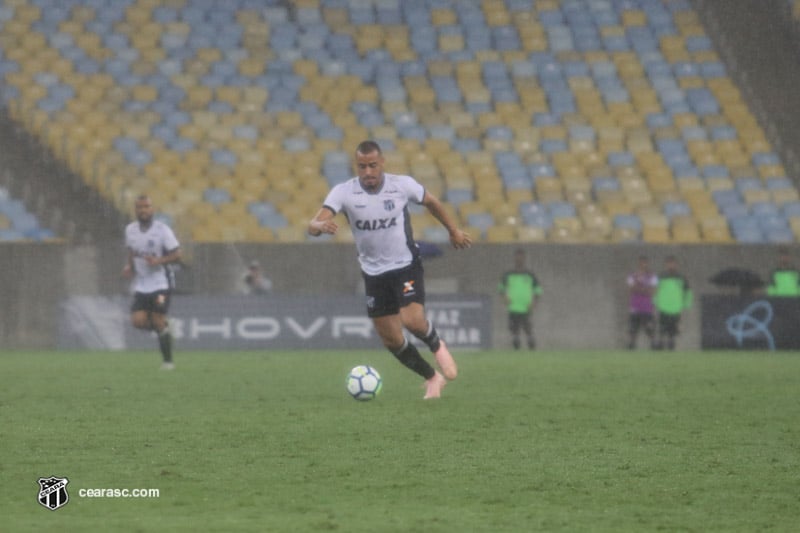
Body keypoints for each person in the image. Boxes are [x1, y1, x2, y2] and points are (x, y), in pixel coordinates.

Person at [308, 140, 472, 399]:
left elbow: (432, 202)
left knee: (412, 320)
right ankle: (432, 377)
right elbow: (315, 223)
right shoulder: (344, 192)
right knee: (392, 340)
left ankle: (437, 344)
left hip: (405, 265)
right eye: (362, 167)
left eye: (373, 165)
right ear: (357, 166)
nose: (368, 172)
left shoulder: (401, 185)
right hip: (374, 274)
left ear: (382, 163)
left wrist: (453, 230)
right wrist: (318, 227)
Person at [122, 194, 181, 369]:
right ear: (135, 210)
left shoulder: (162, 230)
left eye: (147, 207)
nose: (143, 210)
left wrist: (159, 261)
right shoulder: (130, 230)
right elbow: (132, 251)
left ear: (152, 209)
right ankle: (164, 328)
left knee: (157, 317)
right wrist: (130, 266)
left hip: (161, 283)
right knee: (137, 321)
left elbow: (177, 254)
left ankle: (168, 362)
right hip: (142, 284)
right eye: (140, 207)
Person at [497, 248, 542, 350]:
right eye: (517, 257)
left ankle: (532, 348)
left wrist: (534, 303)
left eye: (521, 257)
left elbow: (538, 290)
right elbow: (501, 288)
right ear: (514, 258)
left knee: (528, 328)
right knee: (514, 329)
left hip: (526, 307)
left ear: (524, 258)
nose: (519, 259)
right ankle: (516, 350)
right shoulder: (508, 274)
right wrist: (505, 298)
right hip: (513, 307)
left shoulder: (530, 275)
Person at [653, 255, 693, 350]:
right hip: (663, 306)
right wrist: (654, 302)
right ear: (666, 265)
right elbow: (654, 291)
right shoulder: (660, 277)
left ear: (676, 265)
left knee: (673, 329)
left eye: (672, 264)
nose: (671, 266)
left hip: (676, 307)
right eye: (669, 264)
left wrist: (686, 304)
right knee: (662, 327)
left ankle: (671, 344)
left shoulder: (681, 278)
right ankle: (660, 344)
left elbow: (687, 292)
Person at [626, 255, 657, 350]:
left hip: (647, 307)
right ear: (638, 264)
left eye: (645, 263)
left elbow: (652, 291)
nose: (643, 265)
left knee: (649, 328)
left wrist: (638, 288)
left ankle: (653, 344)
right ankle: (631, 345)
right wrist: (644, 289)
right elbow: (631, 289)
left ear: (647, 264)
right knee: (633, 328)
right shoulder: (632, 276)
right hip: (635, 306)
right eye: (641, 263)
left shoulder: (652, 277)